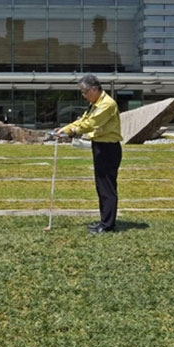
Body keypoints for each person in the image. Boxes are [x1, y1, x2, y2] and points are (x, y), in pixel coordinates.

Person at [58, 74, 122, 234]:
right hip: (100, 146)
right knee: (101, 186)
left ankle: (108, 225)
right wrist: (64, 129)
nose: (83, 95)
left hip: (108, 148)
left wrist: (73, 132)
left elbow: (91, 123)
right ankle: (104, 221)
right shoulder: (95, 104)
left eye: (85, 91)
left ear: (94, 89)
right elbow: (83, 120)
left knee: (107, 187)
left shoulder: (107, 104)